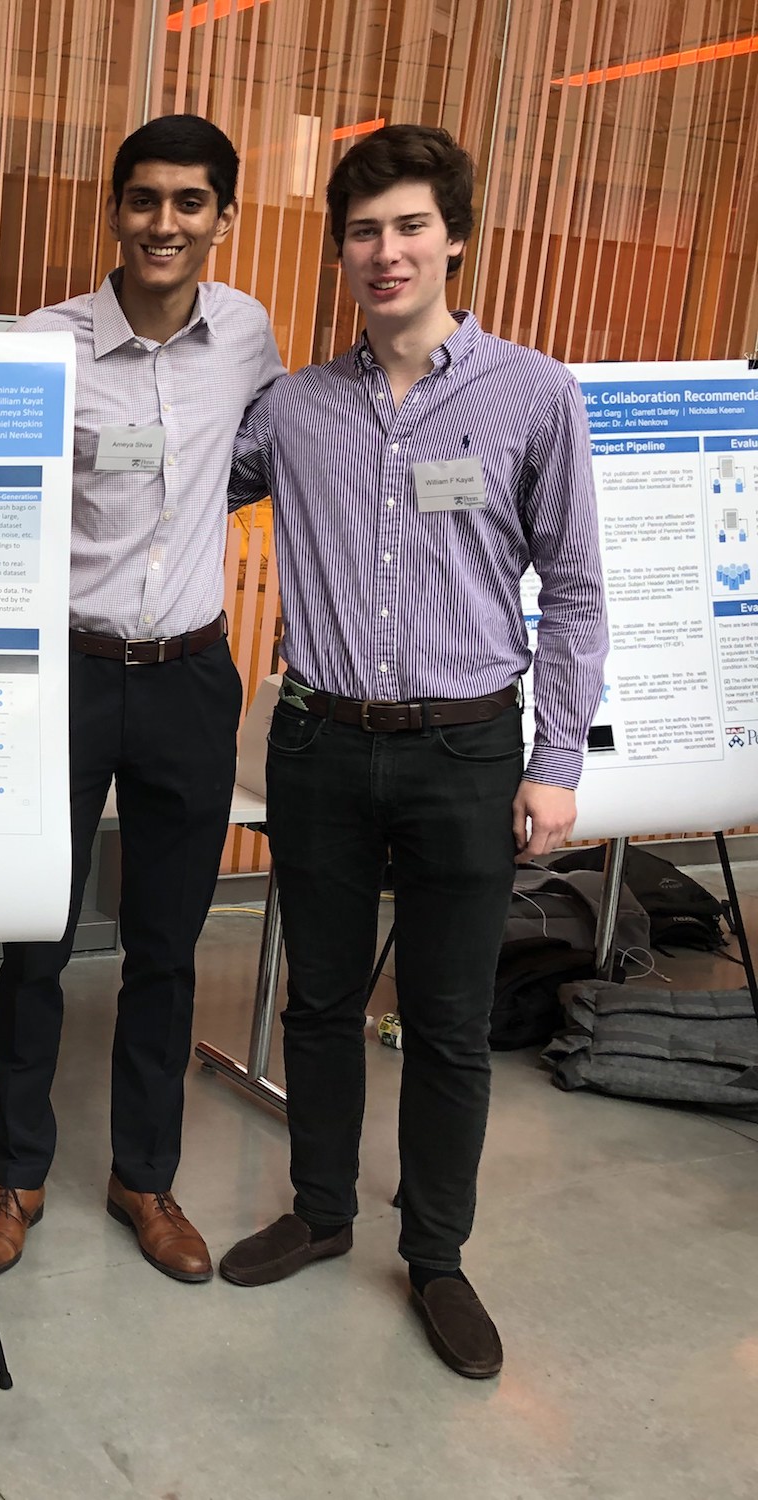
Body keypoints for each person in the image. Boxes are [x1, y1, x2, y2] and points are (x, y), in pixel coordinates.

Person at [220, 125, 607, 1379]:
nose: (383, 252)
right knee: (320, 1002)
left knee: (443, 1022)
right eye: (360, 231)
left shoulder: (533, 393)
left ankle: (435, 1257)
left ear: (453, 238)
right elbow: (166, 492)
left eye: (406, 227)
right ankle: (322, 1212)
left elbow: (578, 592)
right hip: (322, 743)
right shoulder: (291, 410)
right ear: (336, 250)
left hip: (465, 752)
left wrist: (554, 764)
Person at [0, 116, 285, 1283]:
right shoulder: (42, 345)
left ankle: (144, 1180)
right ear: (113, 211)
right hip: (65, 672)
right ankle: (16, 1172)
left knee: (164, 945)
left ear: (220, 218)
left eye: (190, 202)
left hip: (190, 675)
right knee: (34, 936)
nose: (165, 222)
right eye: (144, 199)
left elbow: (261, 461)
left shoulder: (246, 334)